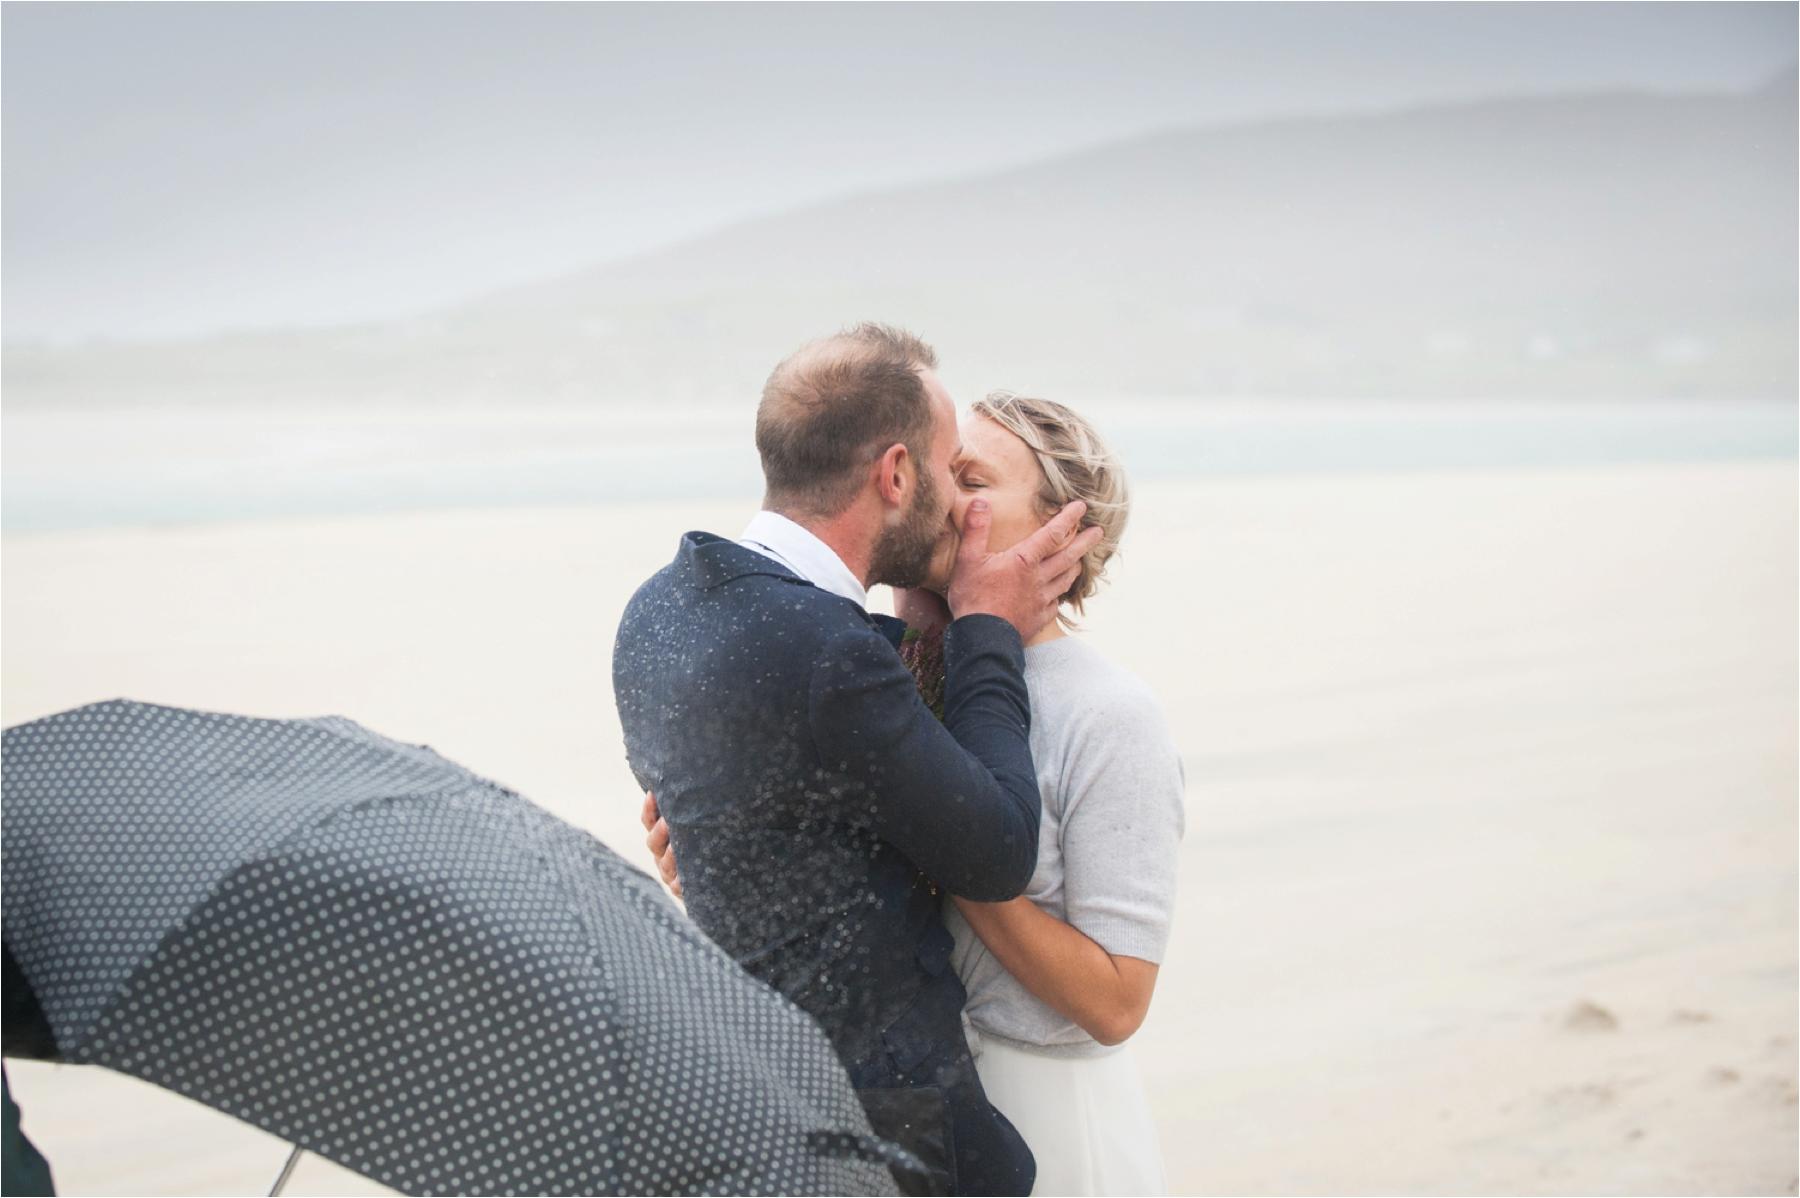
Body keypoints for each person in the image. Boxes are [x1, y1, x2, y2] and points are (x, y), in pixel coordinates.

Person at [646, 391, 1185, 1196]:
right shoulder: (888, 671)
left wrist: (946, 843)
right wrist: (725, 870)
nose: (939, 497)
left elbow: (1115, 1004)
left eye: (971, 478)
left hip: (1050, 1110)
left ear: (1064, 530)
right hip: (917, 1102)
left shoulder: (1110, 715)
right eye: (939, 470)